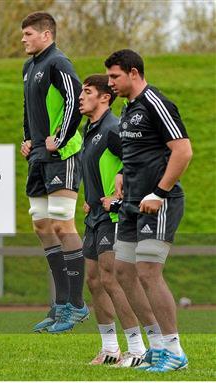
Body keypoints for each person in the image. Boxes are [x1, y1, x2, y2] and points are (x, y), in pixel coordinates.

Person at [105, 49, 192, 372]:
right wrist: (122, 176)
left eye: (115, 76)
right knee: (123, 272)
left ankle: (175, 351)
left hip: (159, 203)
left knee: (147, 272)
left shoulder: (156, 103)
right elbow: (139, 152)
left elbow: (183, 151)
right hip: (131, 205)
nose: (110, 83)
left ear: (134, 73)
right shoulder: (128, 109)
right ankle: (155, 347)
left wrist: (159, 191)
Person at [80, 75, 160, 367]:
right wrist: (91, 199)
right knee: (94, 281)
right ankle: (110, 348)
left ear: (104, 98)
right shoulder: (89, 131)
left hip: (115, 216)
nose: (80, 97)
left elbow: (136, 162)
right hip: (95, 217)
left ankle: (138, 349)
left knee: (112, 279)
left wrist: (117, 195)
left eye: (87, 92)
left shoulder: (113, 128)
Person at [20, 12, 87, 333]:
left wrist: (59, 139)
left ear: (46, 35)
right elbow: (28, 107)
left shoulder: (59, 63)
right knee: (41, 225)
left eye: (29, 34)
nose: (23, 39)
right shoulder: (29, 67)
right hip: (38, 156)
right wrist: (26, 139)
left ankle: (76, 304)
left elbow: (75, 100)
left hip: (63, 154)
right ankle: (60, 304)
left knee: (62, 224)